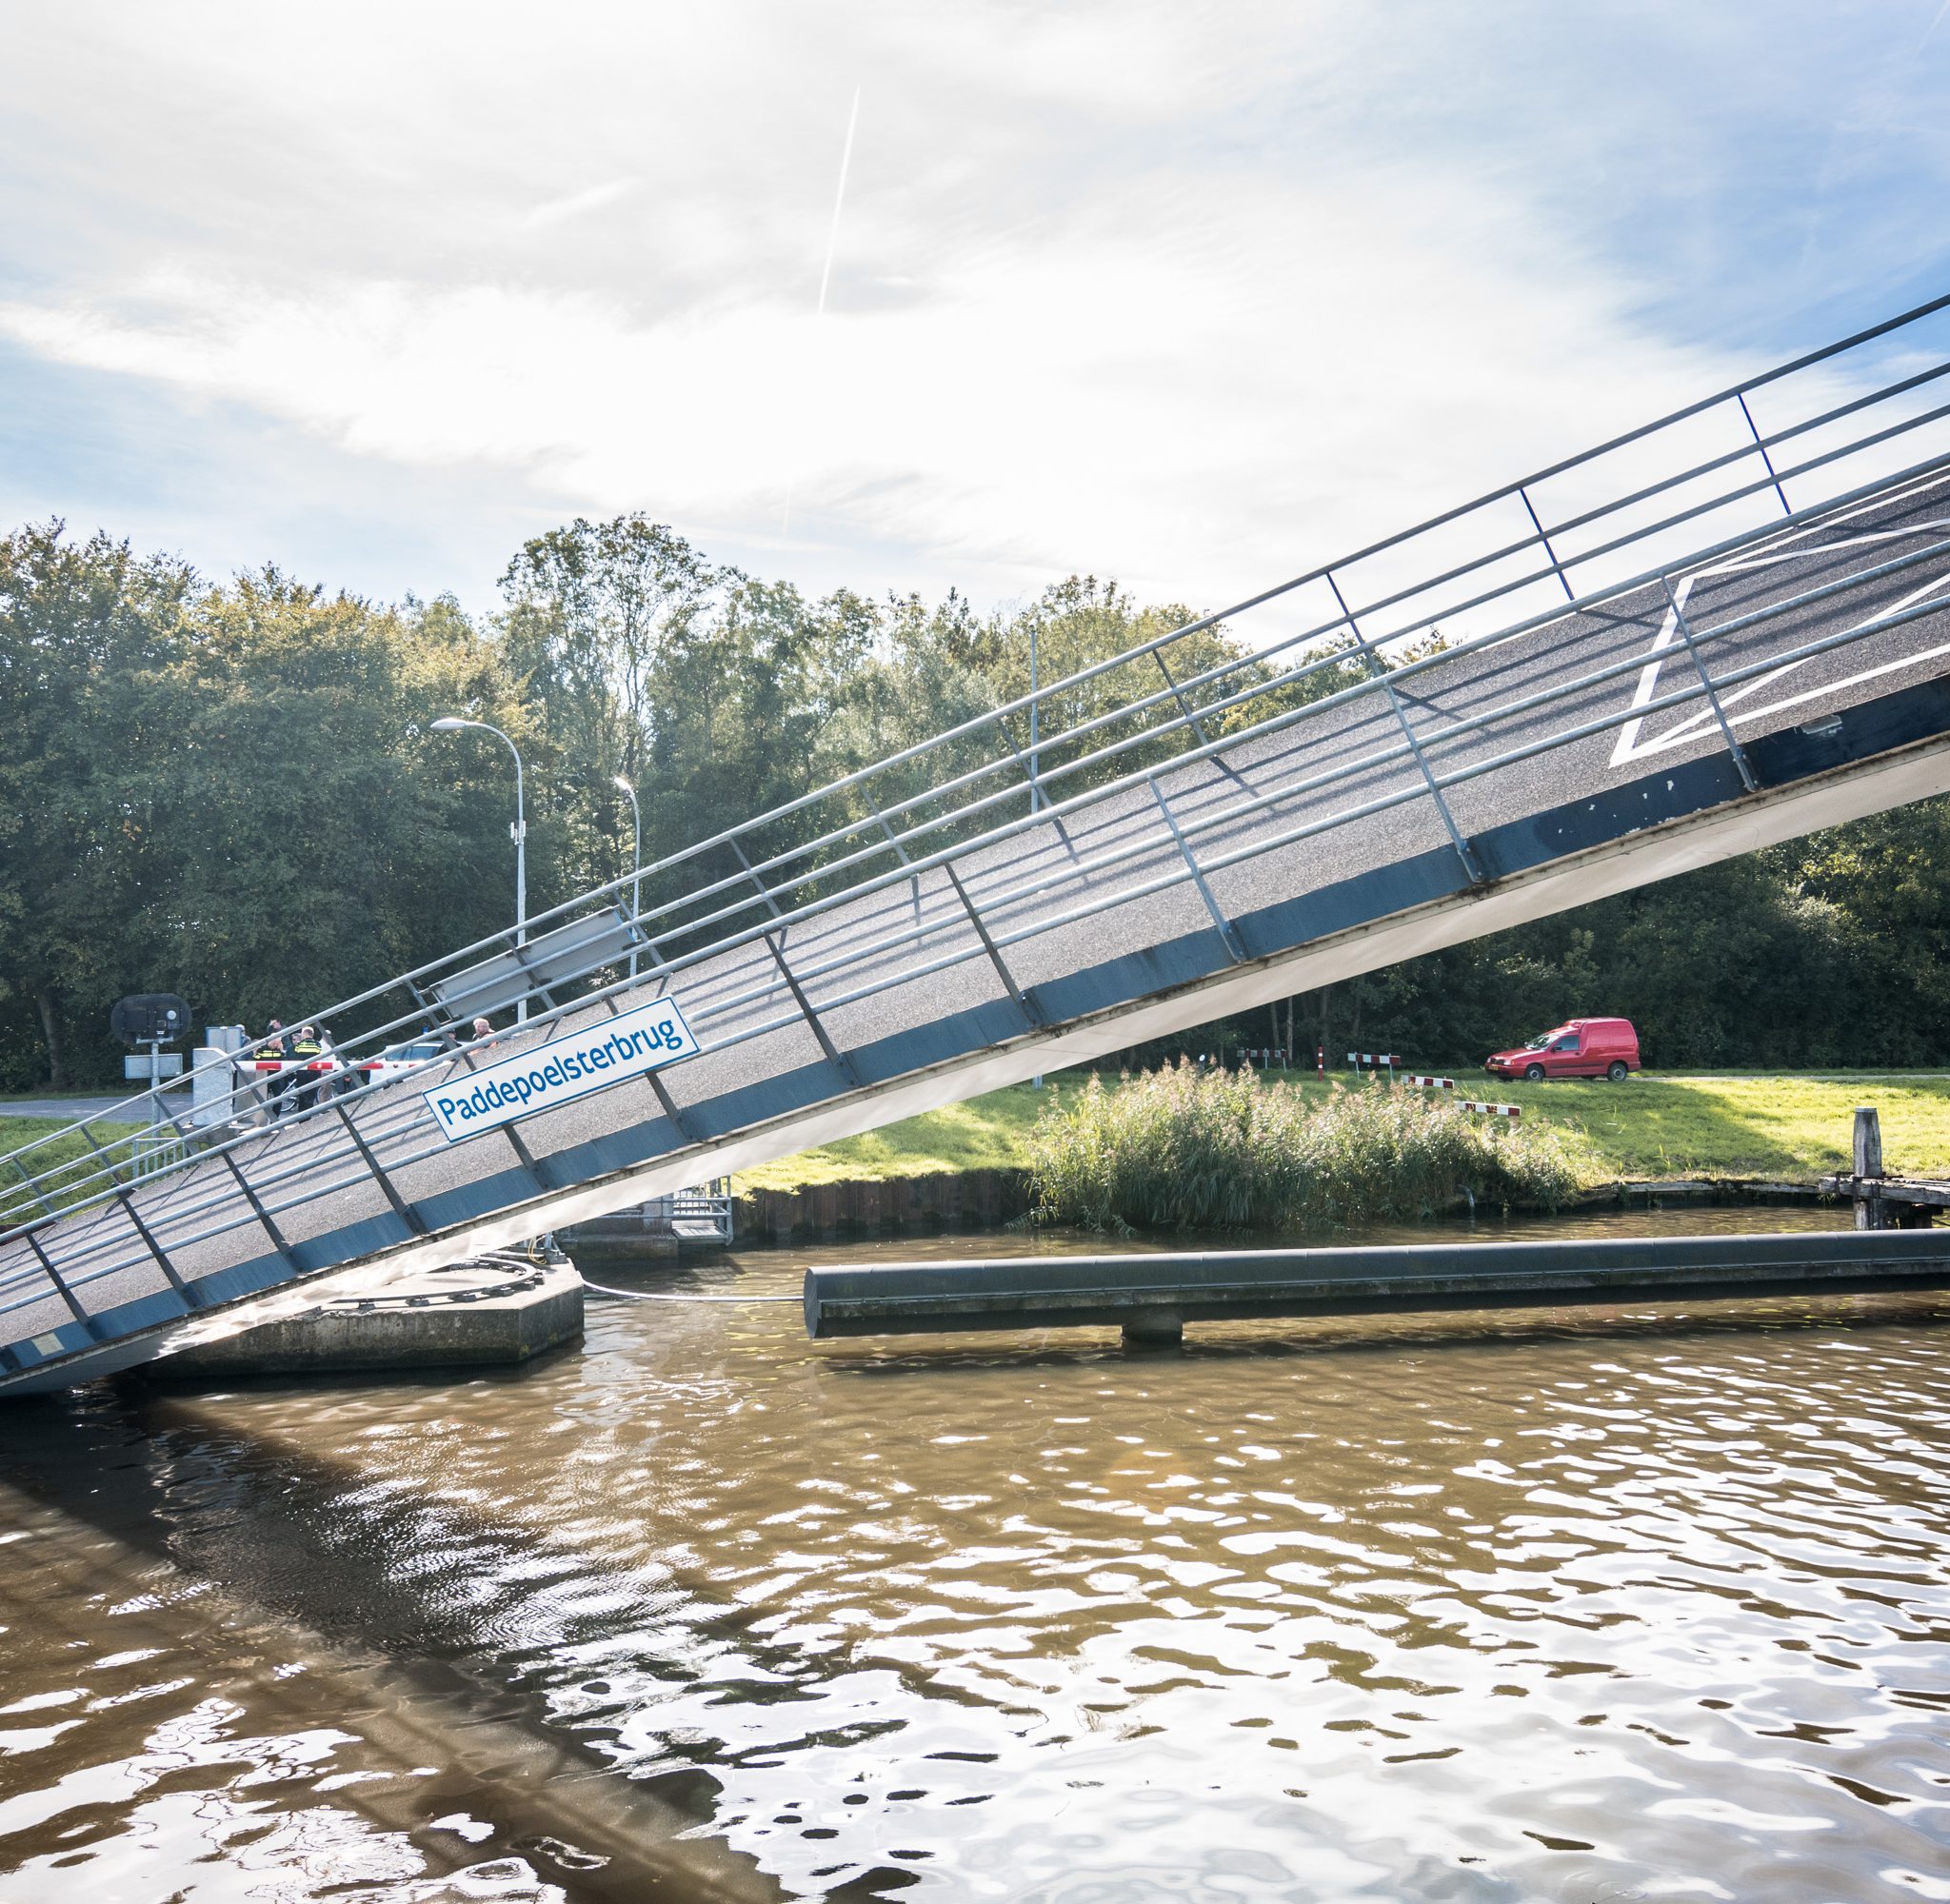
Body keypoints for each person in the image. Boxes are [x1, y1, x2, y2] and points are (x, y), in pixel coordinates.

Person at [264, 1019, 297, 1119]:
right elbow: (255, 1060)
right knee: (263, 1097)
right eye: (275, 1042)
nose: (276, 1044)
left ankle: (275, 1117)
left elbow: (285, 1060)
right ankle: (264, 1116)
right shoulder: (263, 1049)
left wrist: (282, 1050)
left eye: (278, 1042)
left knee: (278, 1097)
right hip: (265, 1076)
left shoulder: (283, 1034)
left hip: (276, 1076)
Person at [290, 1023, 325, 1111]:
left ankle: (302, 1115)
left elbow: (296, 1056)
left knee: (302, 1093)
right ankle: (309, 1112)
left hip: (302, 1072)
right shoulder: (317, 1044)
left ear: (304, 1034)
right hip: (314, 1072)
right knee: (311, 1093)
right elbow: (319, 1055)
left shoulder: (299, 1044)